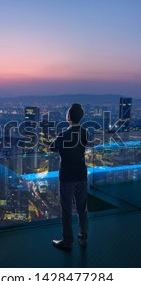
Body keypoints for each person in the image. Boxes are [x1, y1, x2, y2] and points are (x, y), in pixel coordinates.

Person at [49, 103, 88, 251]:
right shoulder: (85, 132)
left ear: (69, 117)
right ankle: (83, 238)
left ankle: (67, 240)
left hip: (67, 176)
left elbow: (52, 147)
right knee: (82, 208)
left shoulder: (64, 135)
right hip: (82, 174)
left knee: (66, 209)